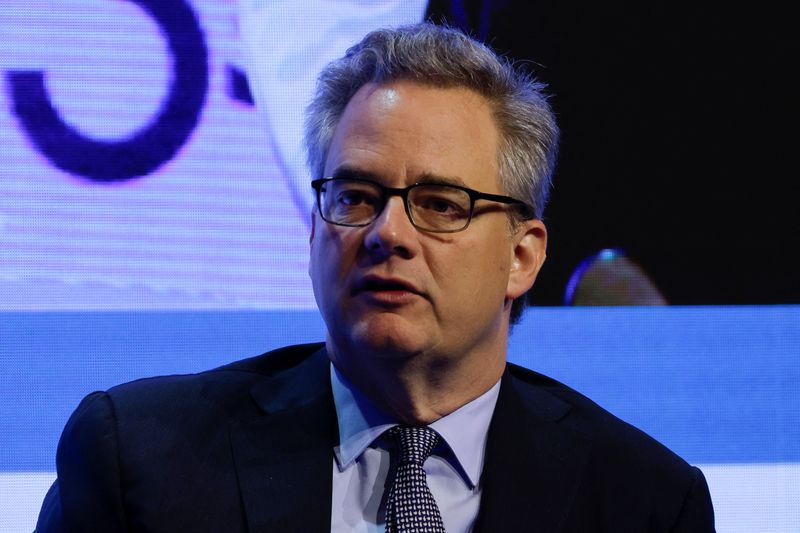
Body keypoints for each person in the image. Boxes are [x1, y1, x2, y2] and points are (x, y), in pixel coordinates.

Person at [36, 23, 714, 532]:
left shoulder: (643, 503)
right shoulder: (140, 461)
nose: (387, 233)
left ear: (523, 256)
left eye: (442, 205)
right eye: (355, 197)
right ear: (312, 232)